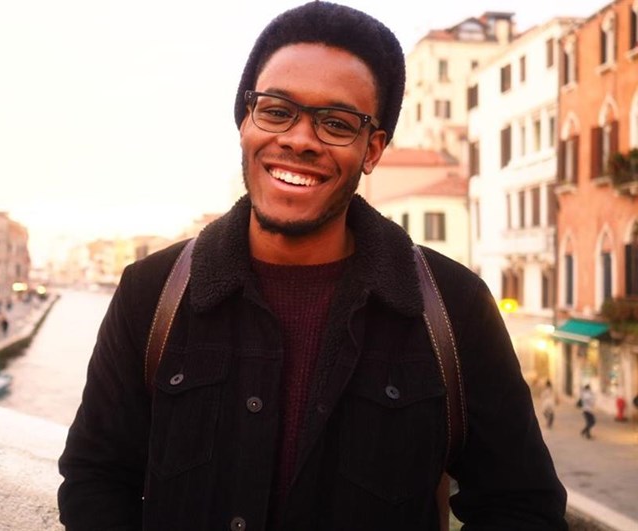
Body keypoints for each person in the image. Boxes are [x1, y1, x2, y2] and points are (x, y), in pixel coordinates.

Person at [57, 2, 567, 529]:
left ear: (372, 151)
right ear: (245, 122)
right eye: (277, 111)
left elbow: (520, 506)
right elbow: (96, 478)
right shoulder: (151, 294)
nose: (299, 139)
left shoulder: (455, 308)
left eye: (336, 124)